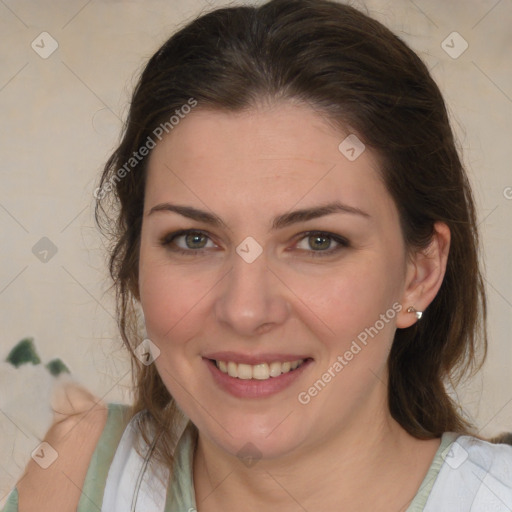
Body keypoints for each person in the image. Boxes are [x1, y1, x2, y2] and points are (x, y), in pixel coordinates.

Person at [4, 0, 512, 510]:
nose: (245, 311)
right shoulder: (79, 471)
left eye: (318, 241)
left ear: (419, 273)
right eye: (193, 239)